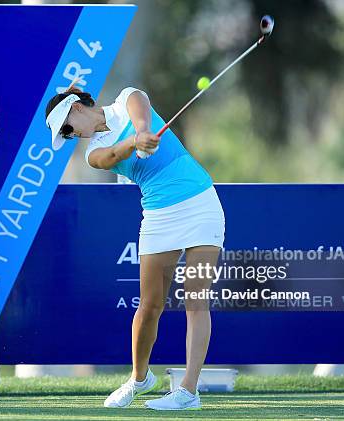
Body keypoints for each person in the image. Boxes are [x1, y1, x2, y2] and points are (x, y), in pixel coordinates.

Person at [45, 86, 225, 411]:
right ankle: (140, 379)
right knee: (149, 307)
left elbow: (139, 106)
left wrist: (142, 132)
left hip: (201, 204)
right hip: (159, 217)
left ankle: (188, 391)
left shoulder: (126, 99)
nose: (71, 135)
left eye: (68, 128)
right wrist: (133, 143)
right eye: (66, 134)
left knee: (196, 300)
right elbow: (112, 156)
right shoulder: (92, 151)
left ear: (75, 108)